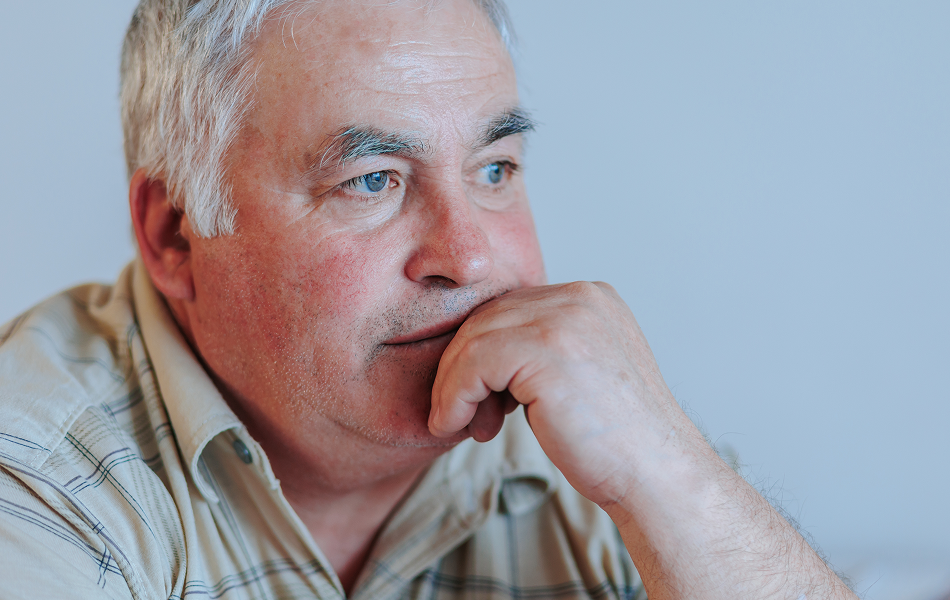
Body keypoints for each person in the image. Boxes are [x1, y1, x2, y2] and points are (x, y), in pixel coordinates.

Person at [0, 0, 856, 598]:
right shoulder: (32, 477)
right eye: (372, 180)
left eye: (495, 171)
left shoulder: (597, 436)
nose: (471, 255)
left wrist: (675, 478)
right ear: (174, 235)